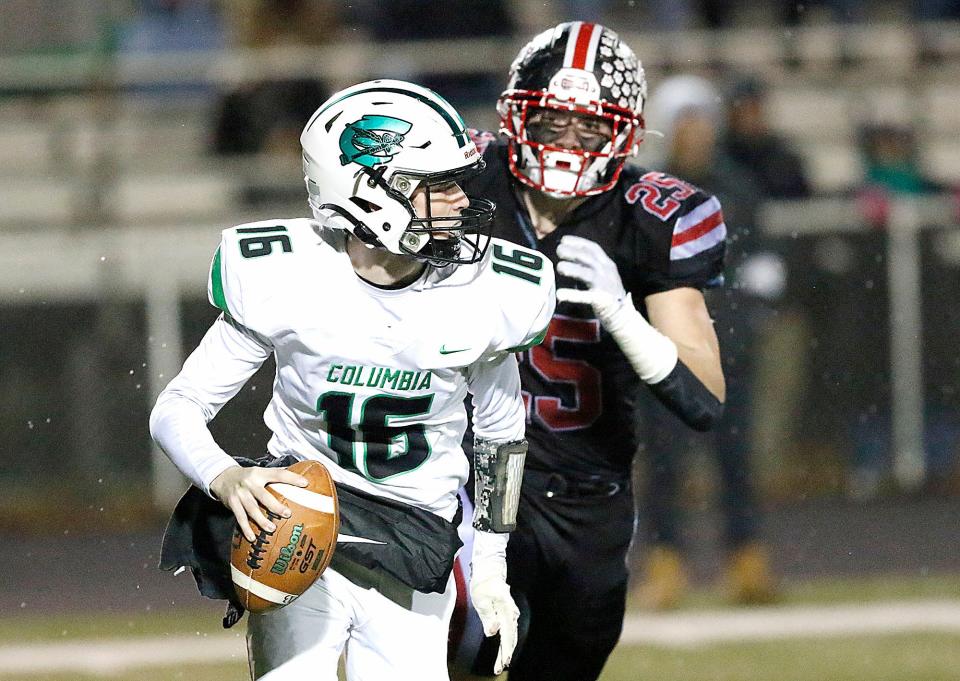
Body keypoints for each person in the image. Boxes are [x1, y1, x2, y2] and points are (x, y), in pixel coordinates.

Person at [150, 79, 556, 680]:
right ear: (368, 191)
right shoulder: (288, 276)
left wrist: (492, 560)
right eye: (435, 184)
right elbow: (177, 407)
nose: (458, 201)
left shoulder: (484, 291)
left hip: (416, 542)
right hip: (301, 529)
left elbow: (500, 433)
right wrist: (226, 477)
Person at [454, 22, 727, 681]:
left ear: (624, 134)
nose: (568, 144)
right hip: (466, 477)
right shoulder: (461, 178)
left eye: (589, 128)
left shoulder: (650, 214)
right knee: (462, 650)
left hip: (588, 493)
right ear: (517, 116)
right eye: (551, 122)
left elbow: (704, 397)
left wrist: (622, 315)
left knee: (561, 664)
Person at [632, 75, 779, 609]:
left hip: (728, 346)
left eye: (700, 120)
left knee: (735, 460)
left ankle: (747, 560)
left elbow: (763, 262)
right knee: (665, 464)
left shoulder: (735, 188)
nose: (694, 132)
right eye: (684, 122)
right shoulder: (645, 192)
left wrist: (747, 317)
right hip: (665, 351)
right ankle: (666, 564)